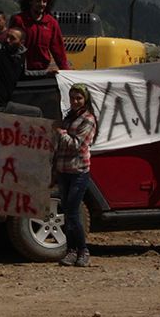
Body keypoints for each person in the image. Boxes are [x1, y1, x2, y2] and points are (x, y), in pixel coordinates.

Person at [53, 84, 96, 267]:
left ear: (85, 99)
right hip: (64, 171)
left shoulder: (88, 120)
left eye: (79, 98)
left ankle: (83, 250)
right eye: (72, 98)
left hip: (78, 171)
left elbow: (77, 144)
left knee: (72, 212)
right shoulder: (69, 117)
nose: (75, 101)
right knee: (68, 213)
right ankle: (71, 251)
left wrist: (60, 132)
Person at [9, 0, 70, 72]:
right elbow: (9, 44)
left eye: (44, 1)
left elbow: (58, 50)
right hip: (20, 70)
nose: (41, 4)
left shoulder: (52, 23)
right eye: (38, 1)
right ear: (30, 1)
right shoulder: (19, 20)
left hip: (42, 71)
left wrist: (66, 72)